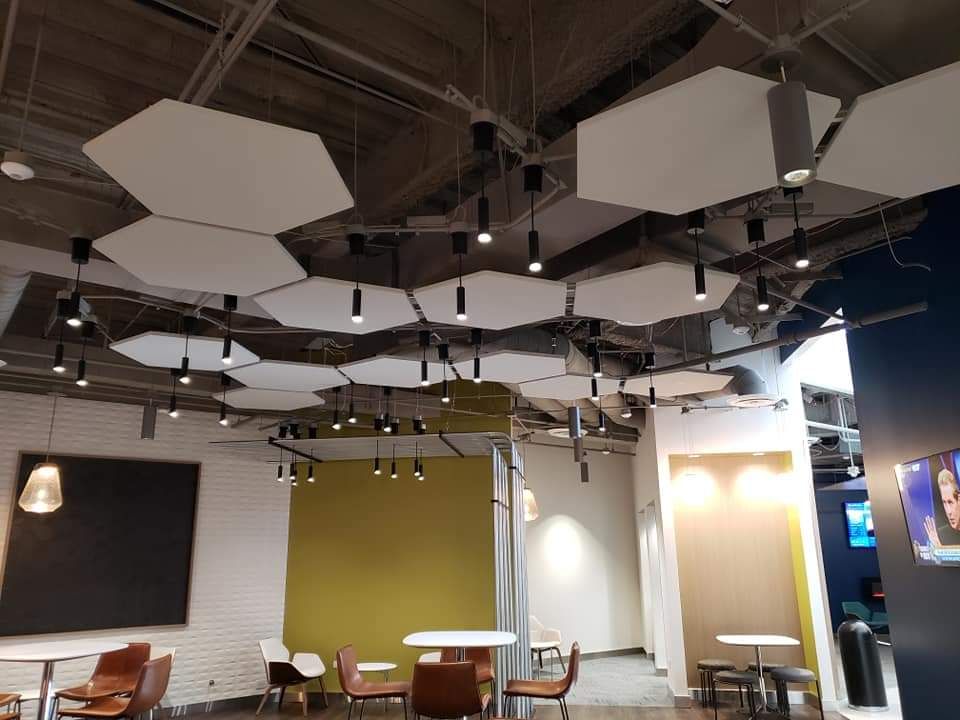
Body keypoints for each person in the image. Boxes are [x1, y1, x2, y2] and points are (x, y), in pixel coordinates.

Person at [923, 468, 960, 547]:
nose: (948, 511)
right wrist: (938, 551)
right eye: (944, 502)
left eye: (950, 502)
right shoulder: (941, 535)